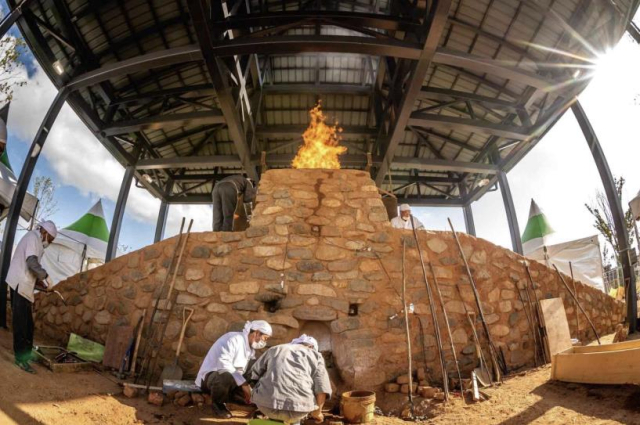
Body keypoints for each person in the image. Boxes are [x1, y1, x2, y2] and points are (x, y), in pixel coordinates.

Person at [6, 220, 56, 373]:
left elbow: (32, 271)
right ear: (45, 232)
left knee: (28, 326)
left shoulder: (37, 242)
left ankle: (26, 354)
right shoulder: (33, 237)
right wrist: (46, 276)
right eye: (51, 239)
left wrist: (41, 285)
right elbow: (31, 262)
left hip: (25, 286)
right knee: (21, 325)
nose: (50, 242)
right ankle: (21, 359)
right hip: (19, 284)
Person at [195, 320, 272, 419]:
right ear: (256, 333)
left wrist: (249, 386)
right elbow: (224, 365)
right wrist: (244, 385)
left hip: (232, 382)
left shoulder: (249, 347)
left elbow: (242, 371)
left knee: (256, 370)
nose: (264, 342)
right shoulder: (234, 338)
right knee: (226, 375)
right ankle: (218, 404)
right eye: (264, 338)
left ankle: (235, 397)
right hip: (210, 379)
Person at [250, 335, 332, 425]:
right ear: (311, 347)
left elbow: (254, 374)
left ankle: (273, 420)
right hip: (299, 409)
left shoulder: (275, 349)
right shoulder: (316, 355)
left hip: (265, 406)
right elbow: (322, 386)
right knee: (295, 416)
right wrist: (317, 412)